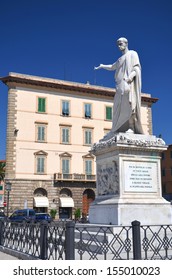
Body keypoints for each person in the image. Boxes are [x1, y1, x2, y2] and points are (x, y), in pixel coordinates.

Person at [95, 37, 143, 136]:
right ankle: (117, 128)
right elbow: (112, 67)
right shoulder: (120, 59)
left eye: (121, 44)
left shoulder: (132, 54)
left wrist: (130, 77)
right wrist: (102, 66)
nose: (119, 46)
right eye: (118, 44)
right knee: (118, 107)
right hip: (119, 85)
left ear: (126, 43)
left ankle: (131, 127)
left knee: (129, 104)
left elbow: (137, 68)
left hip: (128, 83)